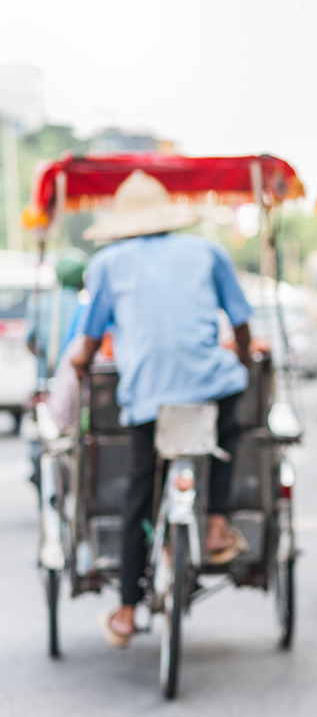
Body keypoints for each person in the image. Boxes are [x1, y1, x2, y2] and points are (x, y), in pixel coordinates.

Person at [67, 170, 254, 649]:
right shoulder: (208, 251)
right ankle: (216, 525)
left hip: (148, 397)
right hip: (210, 385)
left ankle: (127, 609)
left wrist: (81, 360)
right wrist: (246, 358)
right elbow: (241, 322)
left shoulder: (108, 263)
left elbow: (88, 340)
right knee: (226, 435)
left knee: (139, 490)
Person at [25, 249, 88, 378]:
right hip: (74, 377)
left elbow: (30, 343)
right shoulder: (84, 306)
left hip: (46, 376)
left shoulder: (38, 303)